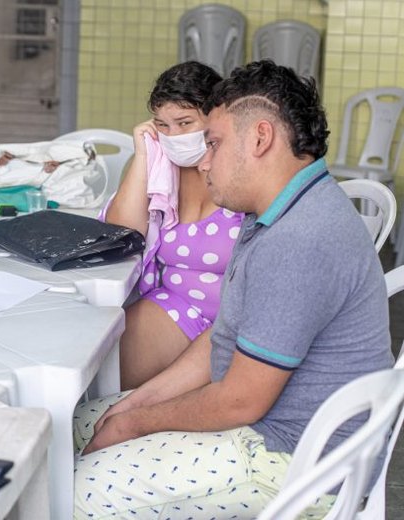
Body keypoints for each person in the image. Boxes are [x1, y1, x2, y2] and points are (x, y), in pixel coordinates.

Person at [73, 61, 392, 519]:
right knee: (70, 425)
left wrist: (136, 423)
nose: (202, 161)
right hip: (265, 425)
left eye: (214, 143)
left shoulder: (299, 240)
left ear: (260, 138)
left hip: (292, 460)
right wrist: (137, 404)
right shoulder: (276, 210)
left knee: (74, 489)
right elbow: (222, 336)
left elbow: (241, 399)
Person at [102, 62, 244, 389]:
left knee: (105, 378)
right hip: (174, 306)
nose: (174, 136)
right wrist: (143, 154)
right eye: (162, 125)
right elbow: (121, 232)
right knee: (94, 363)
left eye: (184, 123)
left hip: (229, 323)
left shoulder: (239, 175)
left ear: (216, 118)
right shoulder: (164, 171)